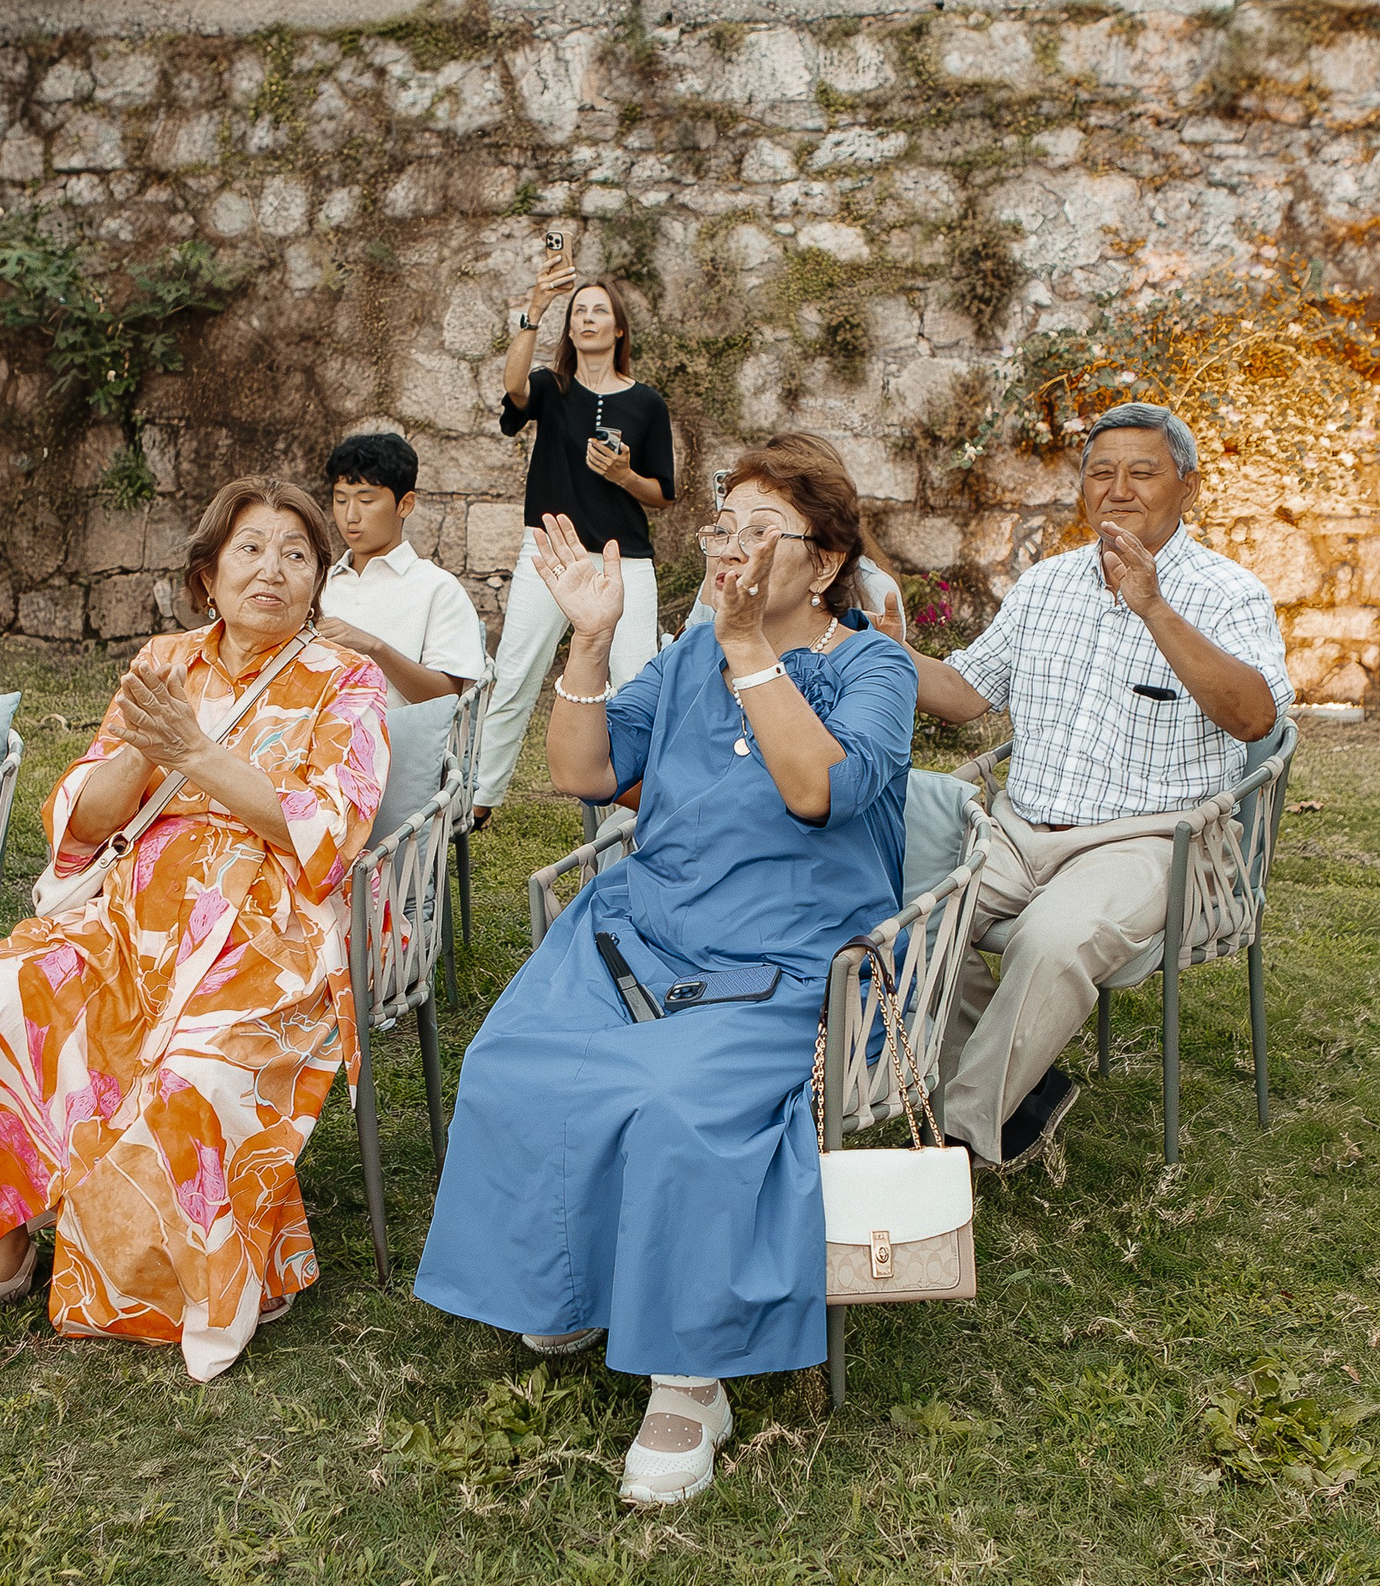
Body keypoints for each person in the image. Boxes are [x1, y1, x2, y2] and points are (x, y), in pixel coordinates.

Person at [415, 435, 918, 1508]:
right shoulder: (688, 658)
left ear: (823, 563)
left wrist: (746, 648)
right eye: (722, 527)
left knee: (677, 1102)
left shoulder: (871, 668)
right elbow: (583, 771)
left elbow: (818, 793)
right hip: (646, 928)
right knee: (514, 1059)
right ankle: (570, 1280)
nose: (729, 549)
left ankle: (690, 1377)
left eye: (757, 531)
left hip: (792, 960)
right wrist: (589, 644)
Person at [0, 478, 388, 1381]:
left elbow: (328, 826)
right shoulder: (165, 659)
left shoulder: (347, 681)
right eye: (249, 547)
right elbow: (82, 819)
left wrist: (201, 756)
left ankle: (204, 1288)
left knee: (194, 1074)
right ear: (208, 573)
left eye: (295, 552)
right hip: (133, 909)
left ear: (319, 579)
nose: (271, 567)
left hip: (265, 928)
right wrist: (144, 748)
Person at [907, 402, 1292, 1168]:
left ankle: (953, 1145)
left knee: (1052, 939)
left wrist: (1153, 607)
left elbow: (1255, 719)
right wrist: (883, 652)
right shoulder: (1045, 585)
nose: (1117, 488)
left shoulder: (1227, 592)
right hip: (1020, 829)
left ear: (1188, 486)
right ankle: (1029, 1086)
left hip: (1153, 840)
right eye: (1100, 471)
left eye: (1142, 471)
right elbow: (966, 693)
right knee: (905, 924)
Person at [472, 268, 676, 828]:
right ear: (569, 328)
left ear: (618, 330)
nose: (587, 318)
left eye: (598, 311)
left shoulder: (647, 404)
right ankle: (479, 796)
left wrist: (625, 476)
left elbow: (663, 493)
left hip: (622, 562)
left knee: (636, 685)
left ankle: (637, 812)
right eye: (579, 311)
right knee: (515, 675)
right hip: (550, 553)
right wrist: (535, 305)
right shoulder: (551, 388)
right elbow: (513, 391)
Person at [315, 431, 488, 704]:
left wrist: (375, 648)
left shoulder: (437, 588)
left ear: (405, 504)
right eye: (341, 500)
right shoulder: (316, 584)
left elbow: (446, 699)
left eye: (366, 500)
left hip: (398, 743)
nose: (350, 516)